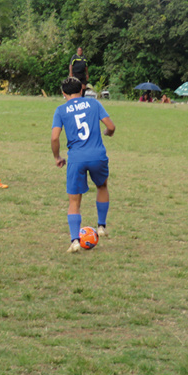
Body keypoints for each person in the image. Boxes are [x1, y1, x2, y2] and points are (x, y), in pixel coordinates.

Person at [51, 77, 116, 253]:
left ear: (63, 93)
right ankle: (101, 227)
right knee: (102, 186)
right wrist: (107, 132)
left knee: (74, 200)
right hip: (97, 155)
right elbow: (111, 126)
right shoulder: (94, 104)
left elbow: (55, 137)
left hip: (76, 158)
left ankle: (74, 241)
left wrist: (57, 157)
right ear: (81, 89)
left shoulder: (60, 110)